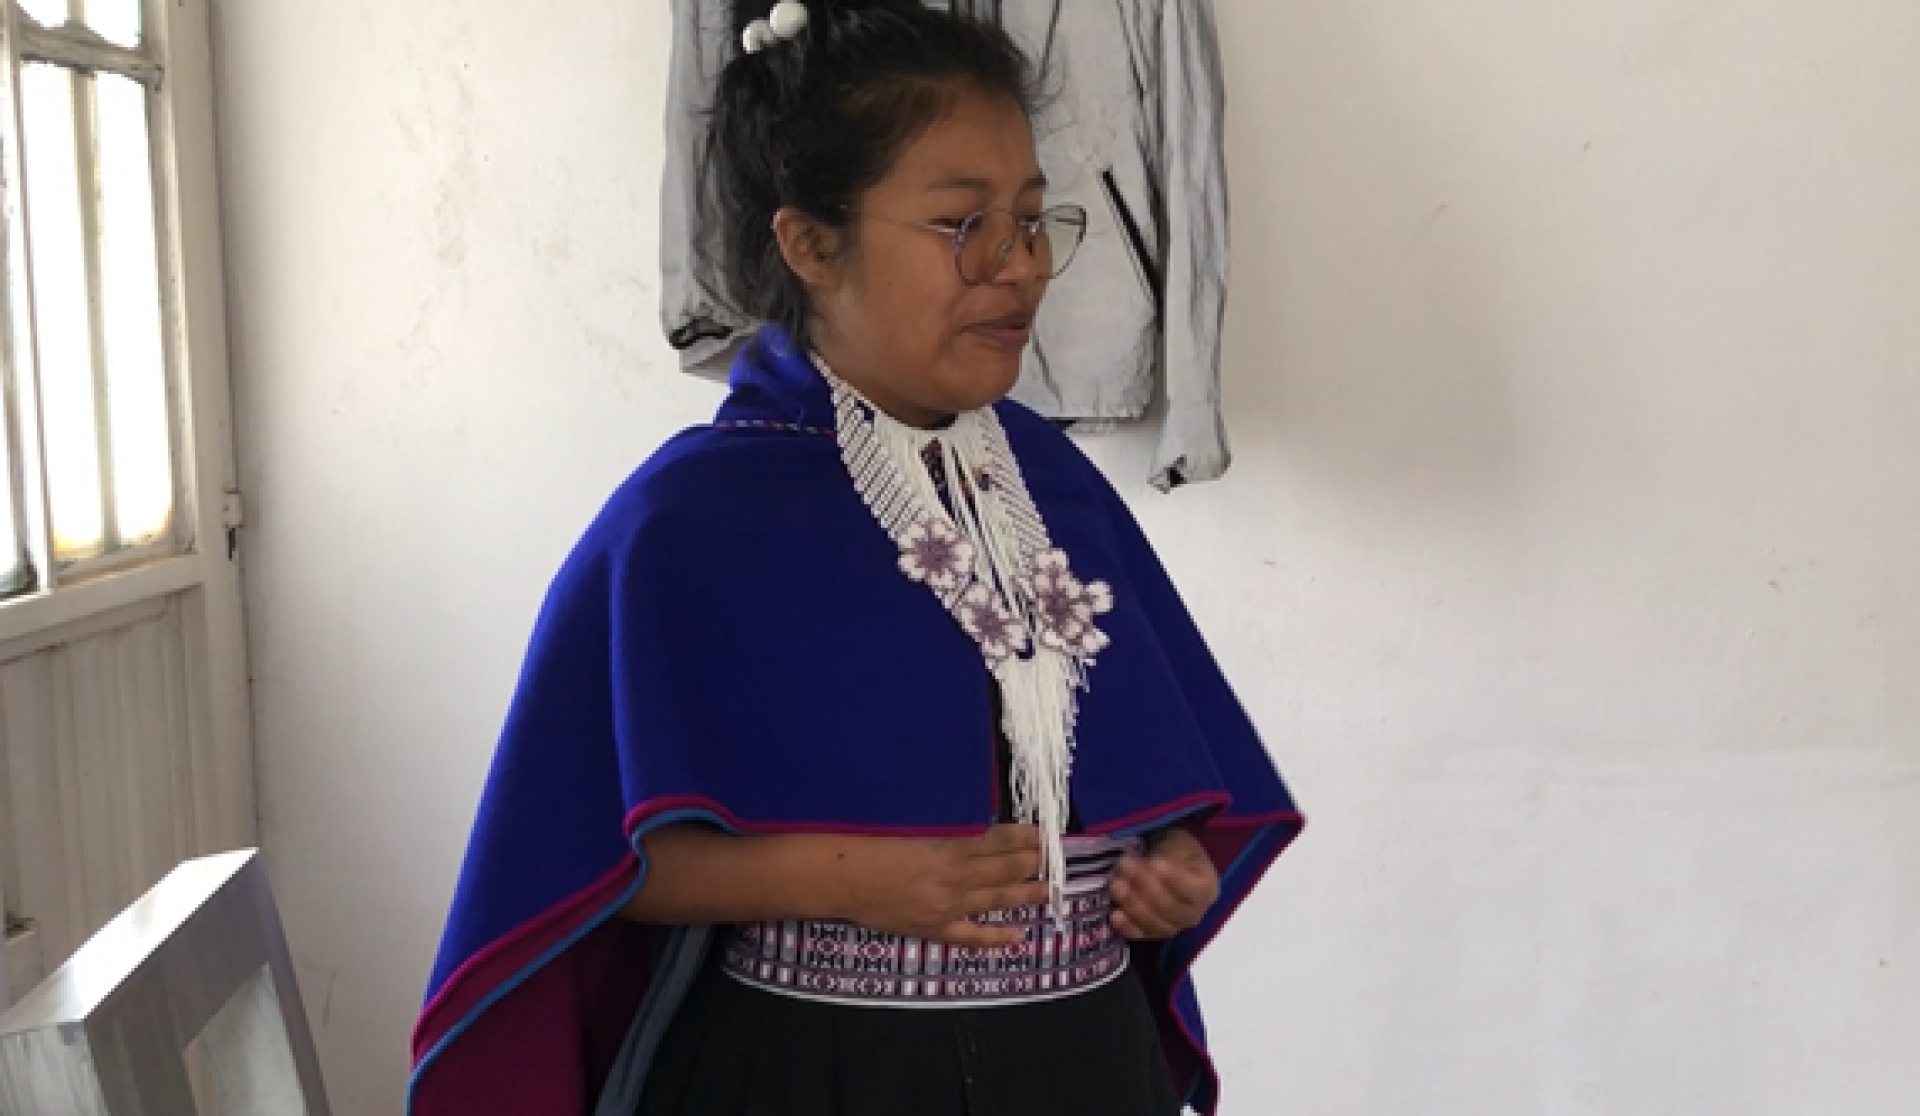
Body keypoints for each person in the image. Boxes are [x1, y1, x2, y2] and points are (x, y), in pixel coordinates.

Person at [409, 4, 1300, 1115]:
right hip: (808, 1072)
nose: (1020, 266)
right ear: (812, 245)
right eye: (963, 224)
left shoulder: (1055, 490)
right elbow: (586, 860)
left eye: (1031, 220)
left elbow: (1143, 781)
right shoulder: (690, 522)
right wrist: (858, 879)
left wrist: (1171, 864)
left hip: (1083, 1062)